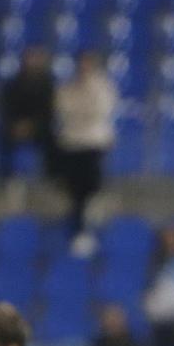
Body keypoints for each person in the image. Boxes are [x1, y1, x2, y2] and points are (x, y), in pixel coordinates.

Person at [55, 52, 118, 249]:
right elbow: (63, 109)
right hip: (72, 142)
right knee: (74, 188)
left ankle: (90, 224)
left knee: (91, 184)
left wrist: (82, 109)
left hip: (94, 142)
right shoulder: (67, 87)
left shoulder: (103, 87)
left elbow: (99, 111)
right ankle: (78, 227)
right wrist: (82, 110)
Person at [0, 46, 57, 189]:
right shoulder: (13, 85)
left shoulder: (48, 85)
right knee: (6, 139)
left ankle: (50, 179)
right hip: (16, 126)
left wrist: (32, 124)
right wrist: (18, 124)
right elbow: (8, 108)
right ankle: (10, 179)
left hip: (41, 127)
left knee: (55, 142)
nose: (32, 62)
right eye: (29, 58)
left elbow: (49, 110)